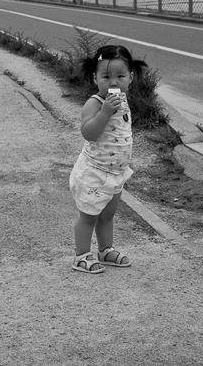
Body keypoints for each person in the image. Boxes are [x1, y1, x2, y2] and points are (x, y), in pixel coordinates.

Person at [69, 45, 147, 274]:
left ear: (130, 78)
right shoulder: (94, 103)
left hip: (116, 172)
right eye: (106, 77)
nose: (113, 83)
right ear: (95, 78)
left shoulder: (123, 100)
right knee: (89, 216)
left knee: (108, 214)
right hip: (95, 172)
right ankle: (81, 255)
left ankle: (105, 250)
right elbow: (89, 133)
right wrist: (104, 113)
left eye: (120, 76)